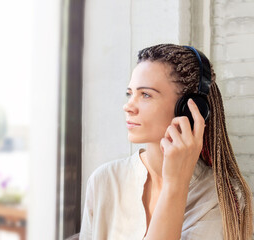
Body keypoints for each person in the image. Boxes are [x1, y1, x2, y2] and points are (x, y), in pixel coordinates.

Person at [79, 44, 253, 240]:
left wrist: (175, 186)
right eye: (130, 93)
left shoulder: (219, 196)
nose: (128, 106)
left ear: (189, 109)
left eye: (145, 94)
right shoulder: (104, 180)